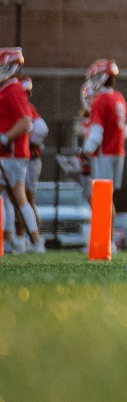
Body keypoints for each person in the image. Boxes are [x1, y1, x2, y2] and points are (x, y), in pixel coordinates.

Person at [0, 50, 42, 253]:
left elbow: (26, 121)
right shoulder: (7, 88)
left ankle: (34, 241)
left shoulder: (14, 89)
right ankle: (15, 241)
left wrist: (4, 138)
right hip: (9, 153)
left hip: (13, 153)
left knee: (18, 197)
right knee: (14, 198)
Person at [79, 59, 127, 198]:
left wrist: (85, 152)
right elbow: (124, 130)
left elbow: (96, 133)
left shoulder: (100, 100)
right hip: (118, 151)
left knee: (101, 196)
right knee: (109, 196)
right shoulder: (119, 97)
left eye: (95, 77)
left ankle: (102, 216)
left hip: (104, 153)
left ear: (103, 77)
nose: (93, 81)